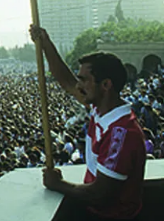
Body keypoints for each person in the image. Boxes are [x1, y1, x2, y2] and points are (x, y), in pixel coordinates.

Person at [30, 25, 146, 220]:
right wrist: (45, 43)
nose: (78, 85)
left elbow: (100, 194)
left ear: (106, 85)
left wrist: (57, 183)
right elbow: (66, 82)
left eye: (84, 79)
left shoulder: (121, 133)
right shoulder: (100, 109)